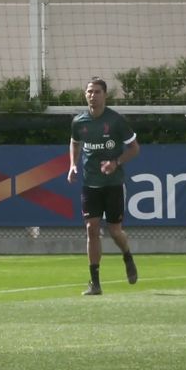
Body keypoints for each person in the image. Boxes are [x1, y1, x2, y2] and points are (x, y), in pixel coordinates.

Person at [67, 77, 140, 295]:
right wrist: (72, 165)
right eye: (89, 91)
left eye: (97, 92)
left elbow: (135, 148)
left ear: (104, 95)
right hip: (90, 184)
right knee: (91, 229)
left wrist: (115, 162)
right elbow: (74, 142)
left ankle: (127, 256)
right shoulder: (79, 122)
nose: (92, 95)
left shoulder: (116, 121)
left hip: (113, 183)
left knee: (115, 231)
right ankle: (95, 282)